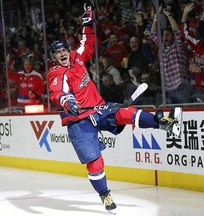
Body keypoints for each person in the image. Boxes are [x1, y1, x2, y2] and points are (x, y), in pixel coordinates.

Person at [47, 3, 182, 214]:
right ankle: (104, 194)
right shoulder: (56, 72)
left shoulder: (76, 57)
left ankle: (163, 123)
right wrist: (66, 101)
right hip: (78, 119)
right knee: (94, 161)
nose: (62, 54)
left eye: (64, 50)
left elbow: (88, 42)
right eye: (57, 53)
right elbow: (57, 92)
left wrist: (88, 22)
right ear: (53, 58)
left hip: (98, 108)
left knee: (124, 113)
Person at [149, 6, 193, 104]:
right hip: (168, 89)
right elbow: (152, 34)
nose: (165, 36)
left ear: (172, 37)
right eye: (164, 35)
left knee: (184, 113)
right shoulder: (162, 47)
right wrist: (156, 16)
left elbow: (177, 31)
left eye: (168, 34)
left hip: (181, 86)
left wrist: (168, 15)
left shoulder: (178, 46)